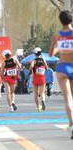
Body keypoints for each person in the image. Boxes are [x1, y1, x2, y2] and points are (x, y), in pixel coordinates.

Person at [49, 10, 73, 139]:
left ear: (60, 20)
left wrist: (59, 48)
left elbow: (51, 53)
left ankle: (71, 124)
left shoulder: (57, 35)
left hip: (63, 67)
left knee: (68, 98)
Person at [29, 47, 48, 112]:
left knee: (36, 94)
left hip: (35, 78)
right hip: (42, 78)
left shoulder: (33, 61)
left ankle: (38, 107)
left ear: (35, 54)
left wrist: (31, 68)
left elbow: (31, 67)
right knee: (42, 93)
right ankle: (42, 100)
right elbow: (47, 68)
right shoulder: (43, 60)